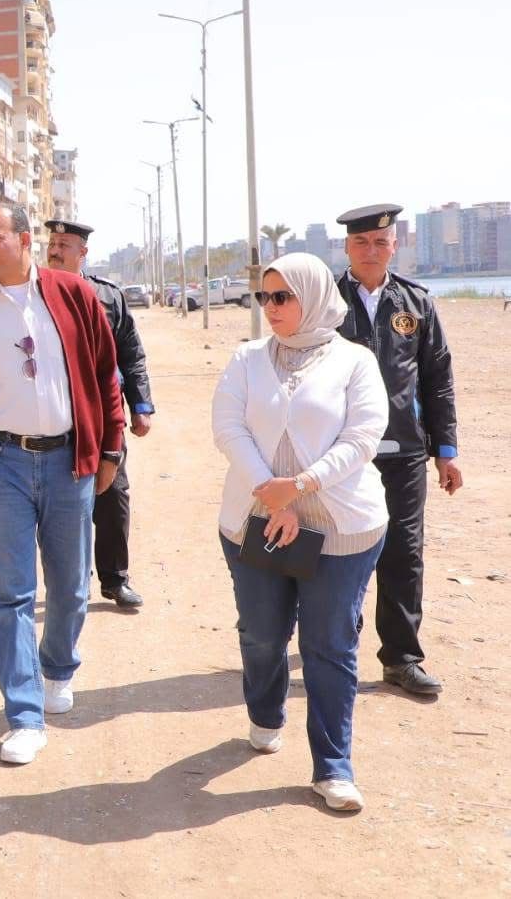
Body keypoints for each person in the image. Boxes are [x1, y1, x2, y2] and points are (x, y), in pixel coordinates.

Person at [0, 204, 123, 766]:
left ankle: (58, 666)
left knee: (70, 585)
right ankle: (23, 715)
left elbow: (105, 376)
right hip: (3, 463)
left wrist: (110, 449)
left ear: (23, 240)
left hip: (69, 461)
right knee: (9, 592)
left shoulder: (74, 296)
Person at [212, 253, 389, 812]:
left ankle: (333, 767)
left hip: (341, 527)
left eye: (282, 296)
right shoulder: (246, 359)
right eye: (264, 297)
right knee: (262, 634)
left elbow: (363, 437)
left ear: (312, 297)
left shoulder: (355, 362)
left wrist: (302, 486)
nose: (271, 307)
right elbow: (228, 427)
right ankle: (266, 714)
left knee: (328, 645)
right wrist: (271, 492)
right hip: (256, 520)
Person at [334, 204, 462, 698]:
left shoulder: (416, 303)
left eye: (380, 243)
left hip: (405, 451)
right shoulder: (326, 301)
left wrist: (445, 450)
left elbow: (437, 380)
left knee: (404, 554)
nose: (371, 251)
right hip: (341, 453)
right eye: (361, 242)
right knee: (338, 550)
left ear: (394, 246)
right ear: (347, 247)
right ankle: (334, 644)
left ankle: (402, 658)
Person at [44, 219, 156, 608]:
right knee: (60, 504)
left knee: (113, 496)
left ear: (83, 252)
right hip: (54, 414)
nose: (55, 250)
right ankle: (70, 582)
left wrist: (140, 406)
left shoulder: (108, 296)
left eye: (64, 244)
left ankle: (114, 579)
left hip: (101, 416)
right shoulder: (32, 292)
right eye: (52, 243)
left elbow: (131, 354)